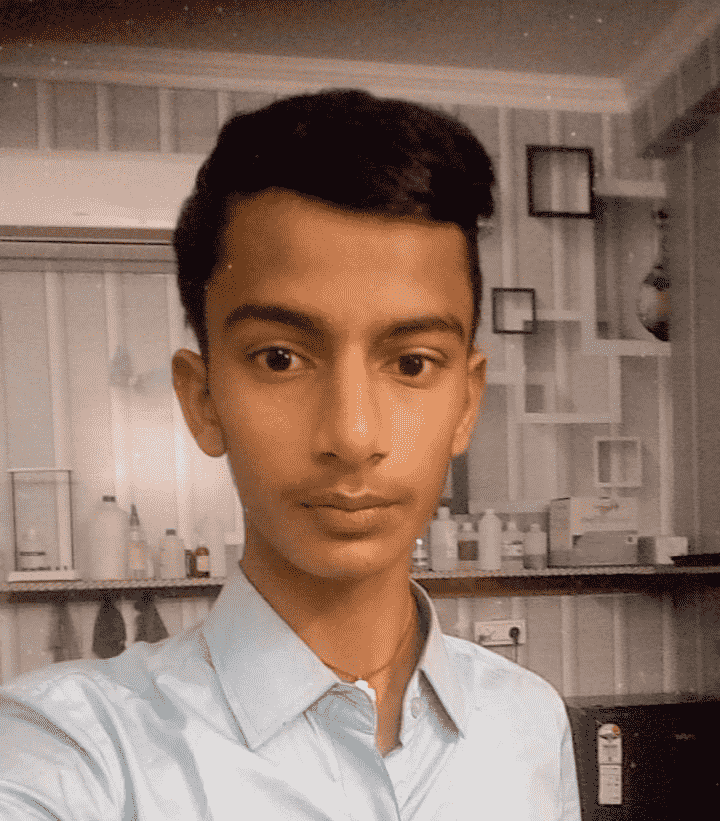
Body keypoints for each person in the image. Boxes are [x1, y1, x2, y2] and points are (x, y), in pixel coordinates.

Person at [0, 89, 580, 820]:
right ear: (203, 399)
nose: (353, 435)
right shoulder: (72, 750)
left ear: (466, 403)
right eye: (280, 358)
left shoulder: (529, 720)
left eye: (412, 363)